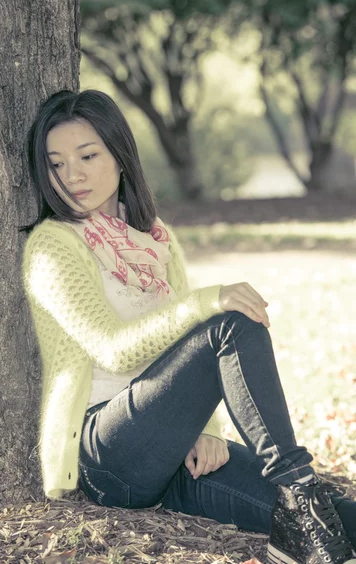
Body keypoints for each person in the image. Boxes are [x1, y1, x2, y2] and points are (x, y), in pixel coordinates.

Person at [19, 89, 356, 564]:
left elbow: (184, 356)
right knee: (229, 322)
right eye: (56, 164)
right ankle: (298, 489)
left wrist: (209, 427)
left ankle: (300, 507)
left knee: (332, 515)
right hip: (107, 454)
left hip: (171, 443)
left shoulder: (155, 238)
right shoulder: (53, 246)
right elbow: (114, 349)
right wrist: (205, 302)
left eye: (88, 155)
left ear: (119, 154)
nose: (72, 175)